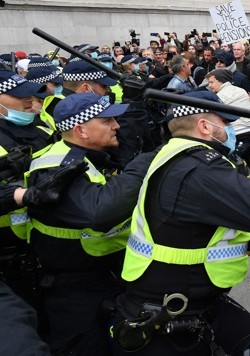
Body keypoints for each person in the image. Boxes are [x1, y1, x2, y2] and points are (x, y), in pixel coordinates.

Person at [112, 91, 250, 355]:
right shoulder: (196, 170)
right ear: (204, 126)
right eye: (225, 123)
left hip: (191, 301)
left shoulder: (178, 157)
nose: (230, 130)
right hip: (169, 312)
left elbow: (226, 232)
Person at [25, 93, 155, 355]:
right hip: (74, 290)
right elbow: (100, 213)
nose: (116, 126)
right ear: (80, 130)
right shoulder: (56, 167)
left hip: (105, 275)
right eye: (107, 121)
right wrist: (141, 166)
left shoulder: (91, 154)